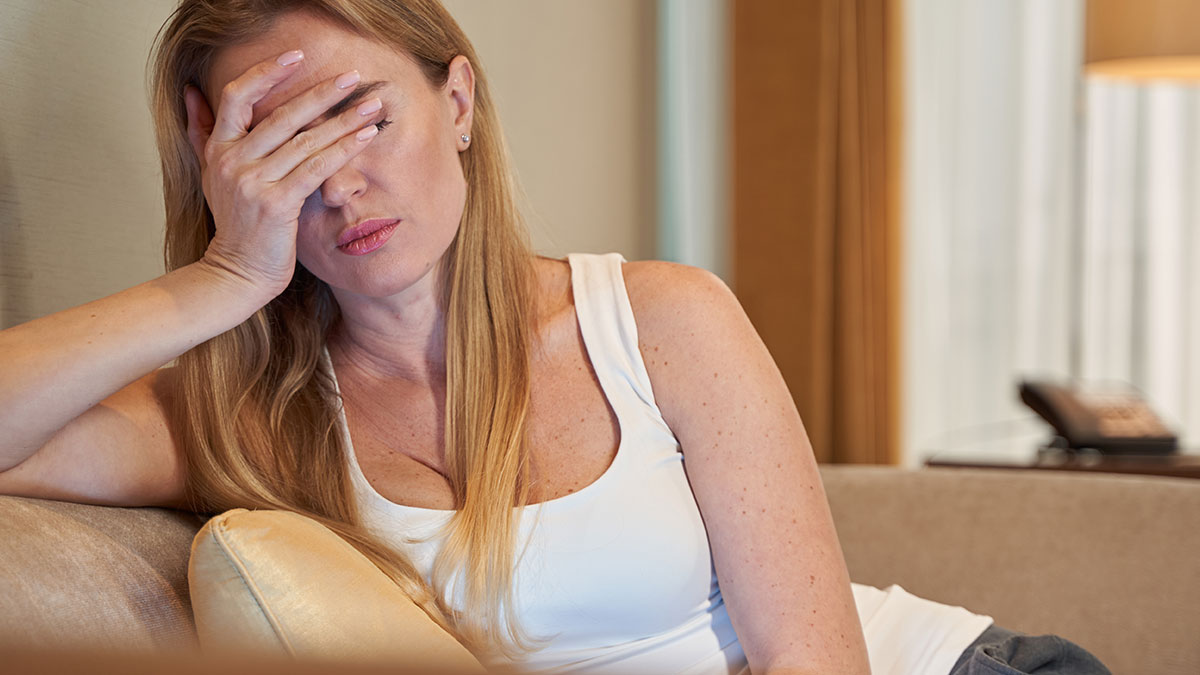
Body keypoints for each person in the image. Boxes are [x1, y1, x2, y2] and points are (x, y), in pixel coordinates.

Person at [0, 2, 1109, 674]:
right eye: (279, 144)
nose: (338, 182)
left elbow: (807, 656)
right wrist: (221, 278)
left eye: (362, 115)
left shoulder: (659, 319)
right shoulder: (243, 417)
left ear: (461, 103)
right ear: (217, 163)